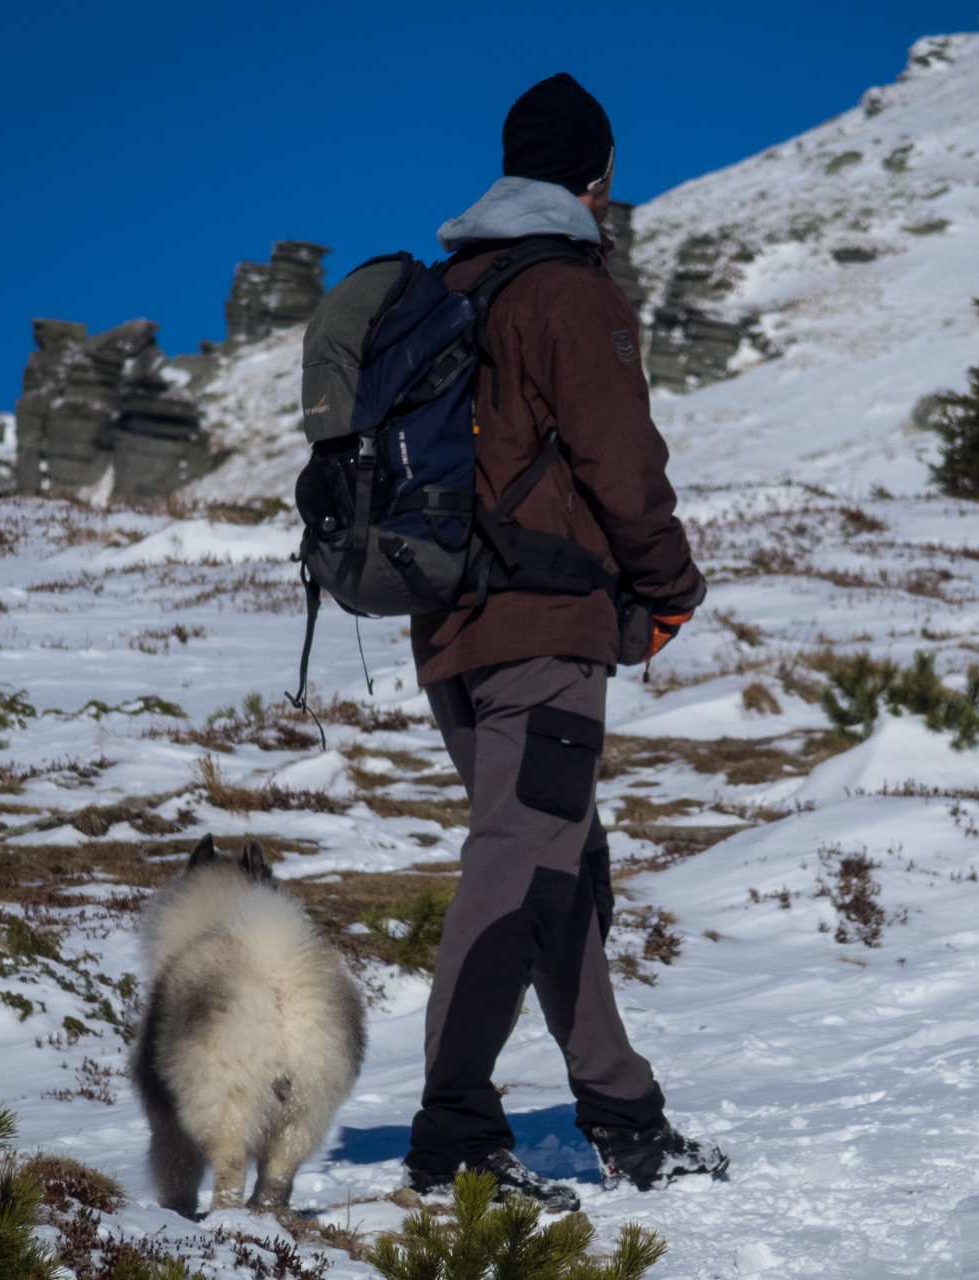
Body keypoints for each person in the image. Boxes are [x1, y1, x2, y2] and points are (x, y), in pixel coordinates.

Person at [402, 73, 726, 1213]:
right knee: (520, 863)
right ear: (596, 179)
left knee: (556, 866)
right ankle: (451, 1144)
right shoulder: (568, 291)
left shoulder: (449, 287)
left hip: (448, 630)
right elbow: (621, 462)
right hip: (544, 629)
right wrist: (670, 586)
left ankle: (623, 1114)